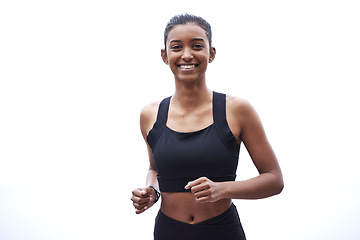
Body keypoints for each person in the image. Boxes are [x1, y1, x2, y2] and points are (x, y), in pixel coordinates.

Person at [131, 14, 284, 240]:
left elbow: (274, 179)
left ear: (211, 53)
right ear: (165, 55)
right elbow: (155, 169)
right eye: (176, 47)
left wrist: (223, 189)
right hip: (168, 231)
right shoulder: (150, 114)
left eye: (196, 46)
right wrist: (151, 191)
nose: (186, 55)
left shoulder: (238, 110)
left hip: (222, 230)